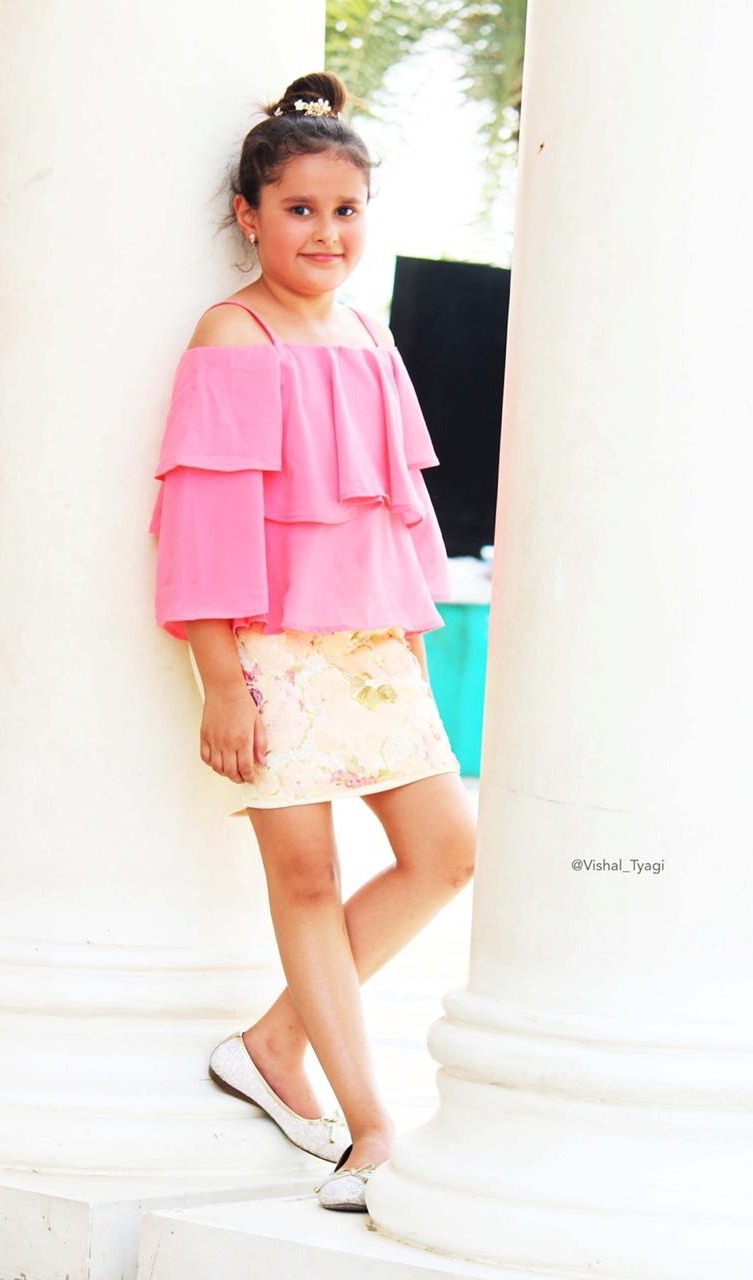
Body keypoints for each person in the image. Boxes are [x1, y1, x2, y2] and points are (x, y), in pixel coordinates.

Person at [147, 70, 477, 1212]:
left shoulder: (368, 332)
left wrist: (413, 641)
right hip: (269, 647)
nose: (326, 232)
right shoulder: (232, 332)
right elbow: (204, 521)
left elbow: (399, 507)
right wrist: (219, 680)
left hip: (373, 644)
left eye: (346, 210)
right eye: (299, 209)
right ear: (249, 214)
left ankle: (272, 1044)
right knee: (307, 874)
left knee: (447, 852)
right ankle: (370, 1128)